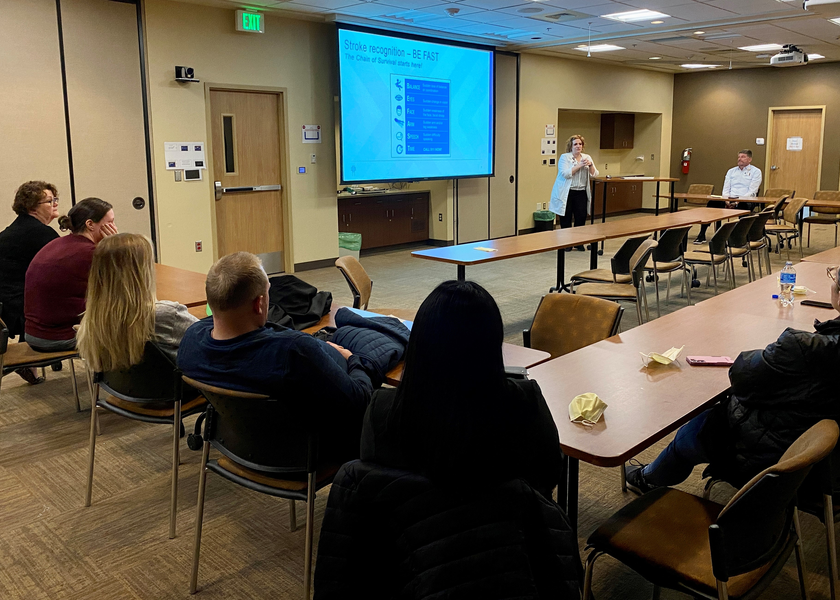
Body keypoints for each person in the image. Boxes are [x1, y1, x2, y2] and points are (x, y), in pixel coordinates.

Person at [626, 264, 840, 495]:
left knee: (700, 425)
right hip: (828, 461)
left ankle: (648, 478)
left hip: (774, 453)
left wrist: (773, 353)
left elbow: (743, 377)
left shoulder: (805, 348)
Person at [360, 280, 562, 497]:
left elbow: (372, 483)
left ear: (418, 342)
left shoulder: (381, 410)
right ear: (493, 344)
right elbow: (549, 474)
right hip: (502, 527)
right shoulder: (523, 402)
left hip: (405, 527)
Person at [177, 251, 375, 461]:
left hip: (236, 447)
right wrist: (352, 358)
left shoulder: (190, 342)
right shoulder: (292, 352)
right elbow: (359, 401)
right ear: (259, 303)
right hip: (303, 455)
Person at [77, 233, 197, 373]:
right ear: (142, 271)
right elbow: (211, 340)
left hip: (123, 391)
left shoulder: (94, 318)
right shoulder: (167, 315)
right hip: (178, 391)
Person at [24, 197, 117, 352]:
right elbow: (124, 283)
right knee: (134, 327)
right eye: (111, 222)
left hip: (33, 332)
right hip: (57, 336)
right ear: (90, 224)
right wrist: (115, 246)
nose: (114, 227)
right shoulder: (91, 253)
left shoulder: (59, 243)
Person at [0, 182, 61, 384]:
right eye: (49, 201)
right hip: (18, 308)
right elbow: (64, 266)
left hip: (6, 305)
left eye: (55, 199)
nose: (55, 204)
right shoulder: (40, 233)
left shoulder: (17, 228)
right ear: (32, 207)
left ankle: (29, 365)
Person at [693, 149, 762, 244]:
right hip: (729, 199)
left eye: (743, 157)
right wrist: (726, 201)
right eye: (739, 157)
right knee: (712, 203)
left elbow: (752, 191)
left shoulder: (756, 172)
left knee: (744, 206)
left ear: (749, 159)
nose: (739, 159)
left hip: (746, 200)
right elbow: (726, 188)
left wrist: (737, 202)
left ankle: (740, 236)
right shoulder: (731, 171)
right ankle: (702, 234)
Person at [550, 134, 599, 252]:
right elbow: (565, 173)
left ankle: (578, 242)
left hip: (581, 192)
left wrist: (590, 165)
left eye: (580, 144)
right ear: (571, 146)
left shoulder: (587, 157)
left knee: (580, 217)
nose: (578, 146)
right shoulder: (565, 157)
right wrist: (579, 165)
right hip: (568, 192)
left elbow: (595, 173)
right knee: (566, 217)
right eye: (575, 144)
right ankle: (566, 243)